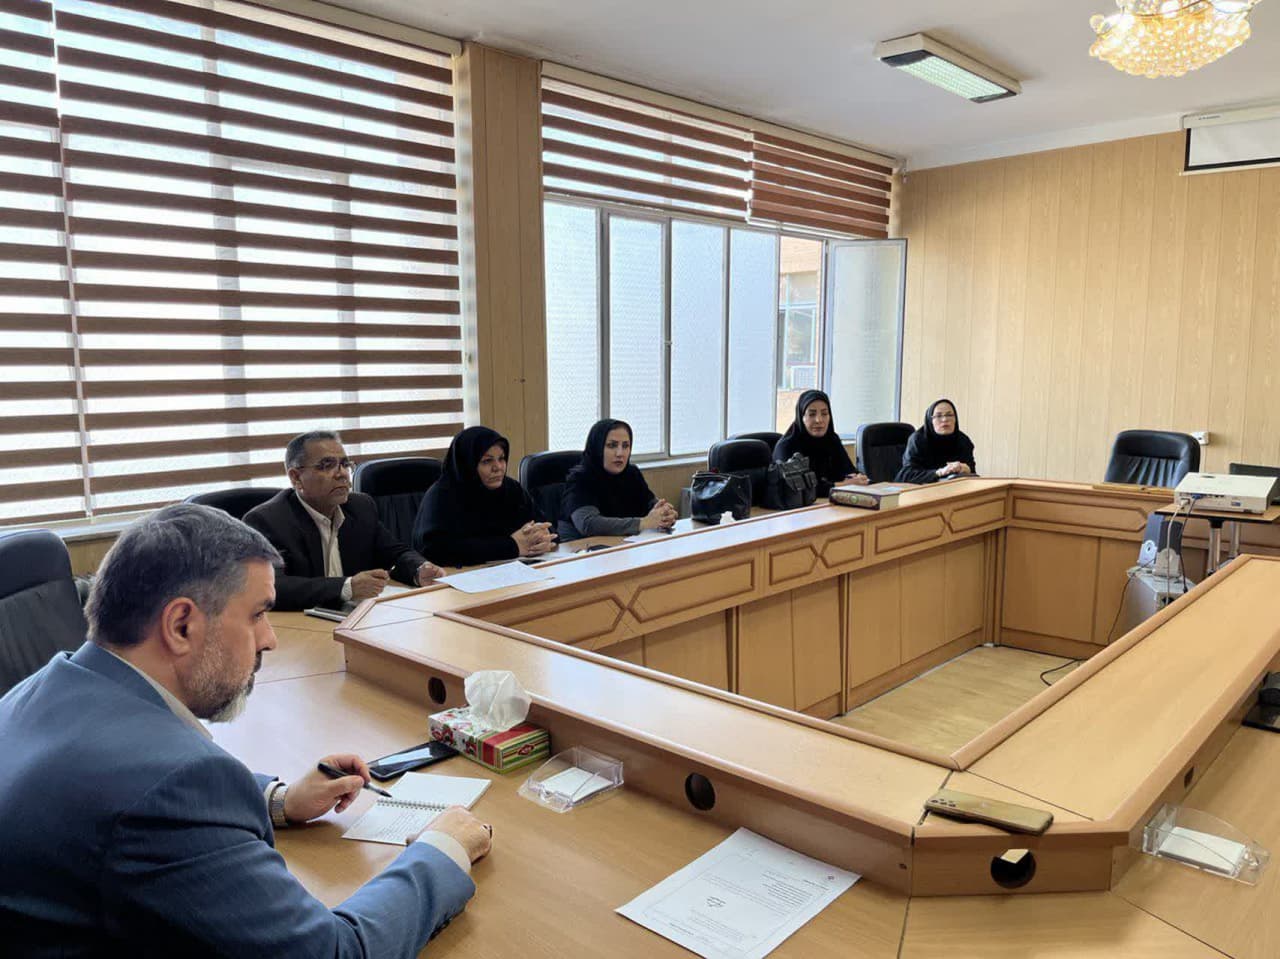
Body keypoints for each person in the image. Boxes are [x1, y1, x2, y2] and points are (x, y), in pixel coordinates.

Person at [0, 503, 492, 957]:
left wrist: (279, 800)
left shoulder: (43, 687)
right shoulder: (170, 788)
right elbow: (335, 952)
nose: (270, 638)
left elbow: (126, 796)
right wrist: (440, 850)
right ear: (181, 626)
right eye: (257, 614)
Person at [243, 430, 444, 610]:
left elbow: (394, 554)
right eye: (327, 465)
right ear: (296, 478)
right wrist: (346, 587)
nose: (342, 474)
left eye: (345, 464)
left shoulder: (361, 507)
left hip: (356, 619)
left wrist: (419, 569)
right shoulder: (268, 520)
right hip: (300, 625)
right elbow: (269, 585)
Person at [412, 425, 555, 566]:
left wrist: (542, 537)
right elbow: (434, 550)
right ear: (467, 463)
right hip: (459, 577)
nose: (498, 467)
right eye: (487, 461)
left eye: (501, 458)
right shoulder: (441, 496)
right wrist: (511, 546)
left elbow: (545, 525)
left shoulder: (511, 489)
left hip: (513, 572)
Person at [559, 418, 676, 541]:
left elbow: (652, 504)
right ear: (597, 448)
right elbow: (588, 524)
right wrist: (642, 523)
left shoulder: (631, 473)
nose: (620, 453)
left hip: (625, 545)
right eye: (612, 445)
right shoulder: (580, 478)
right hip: (583, 549)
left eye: (625, 446)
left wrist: (665, 514)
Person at [773, 389, 869, 497]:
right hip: (799, 506)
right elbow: (798, 488)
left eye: (824, 413)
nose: (819, 420)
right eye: (812, 414)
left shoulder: (832, 439)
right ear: (801, 417)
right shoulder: (786, 446)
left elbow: (849, 471)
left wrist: (858, 478)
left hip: (832, 502)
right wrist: (844, 485)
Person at [896, 398, 977, 484]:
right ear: (930, 420)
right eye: (938, 416)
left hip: (953, 488)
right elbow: (907, 475)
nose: (945, 419)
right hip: (920, 488)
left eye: (949, 415)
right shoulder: (918, 440)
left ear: (955, 419)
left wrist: (967, 469)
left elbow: (973, 473)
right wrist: (939, 472)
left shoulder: (963, 440)